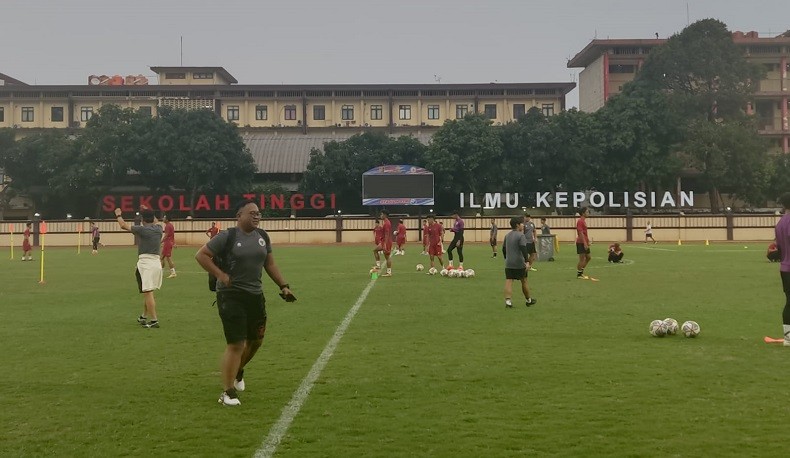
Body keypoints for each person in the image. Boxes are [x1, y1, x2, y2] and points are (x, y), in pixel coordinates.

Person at [195, 199, 295, 406]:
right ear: (239, 215)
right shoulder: (227, 236)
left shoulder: (262, 236)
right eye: (251, 213)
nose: (257, 215)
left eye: (258, 213)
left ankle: (238, 370)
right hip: (231, 296)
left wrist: (283, 286)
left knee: (256, 340)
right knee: (236, 343)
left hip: (255, 295)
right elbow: (201, 255)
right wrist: (221, 275)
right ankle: (228, 392)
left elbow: (270, 264)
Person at [115, 205, 163, 329]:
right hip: (156, 263)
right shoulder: (158, 229)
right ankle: (144, 316)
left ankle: (154, 320)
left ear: (142, 219)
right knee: (148, 291)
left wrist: (118, 214)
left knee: (147, 292)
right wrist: (148, 209)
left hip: (145, 264)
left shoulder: (142, 230)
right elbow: (155, 220)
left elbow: (123, 226)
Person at [502, 216, 537, 308]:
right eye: (522, 223)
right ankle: (528, 300)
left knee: (509, 281)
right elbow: (523, 249)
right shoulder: (521, 235)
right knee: (524, 280)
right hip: (519, 262)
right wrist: (527, 261)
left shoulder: (507, 235)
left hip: (509, 263)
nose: (523, 225)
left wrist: (506, 258)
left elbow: (503, 249)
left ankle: (508, 302)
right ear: (517, 225)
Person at [774, 192, 790, 346]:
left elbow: (779, 248)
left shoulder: (779, 223)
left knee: (789, 302)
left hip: (784, 268)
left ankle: (788, 338)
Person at [576, 207, 592, 279]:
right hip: (581, 242)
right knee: (582, 259)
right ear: (583, 213)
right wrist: (585, 243)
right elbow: (581, 233)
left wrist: (587, 241)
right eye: (587, 212)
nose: (588, 213)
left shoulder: (583, 221)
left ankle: (581, 272)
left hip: (584, 242)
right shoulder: (580, 221)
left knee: (588, 257)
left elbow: (585, 233)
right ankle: (579, 274)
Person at [379, 210, 394, 276]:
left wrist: (385, 244)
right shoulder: (385, 222)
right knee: (375, 250)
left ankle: (389, 272)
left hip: (386, 242)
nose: (380, 215)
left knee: (387, 257)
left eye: (381, 214)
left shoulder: (387, 223)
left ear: (385, 215)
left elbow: (387, 234)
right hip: (385, 241)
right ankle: (378, 265)